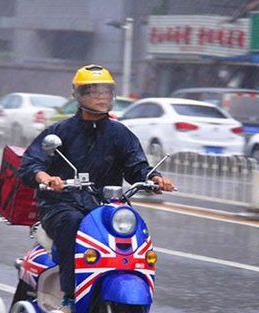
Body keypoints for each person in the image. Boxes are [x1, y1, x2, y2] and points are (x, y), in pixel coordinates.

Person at [18, 64, 175, 313]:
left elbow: (136, 166)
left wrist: (154, 178)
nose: (102, 97)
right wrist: (46, 177)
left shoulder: (119, 133)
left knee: (134, 233)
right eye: (94, 91)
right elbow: (31, 163)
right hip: (62, 204)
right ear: (79, 95)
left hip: (104, 208)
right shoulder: (60, 132)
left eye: (106, 91)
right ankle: (70, 296)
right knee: (72, 225)